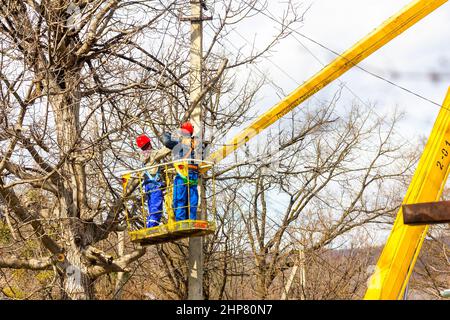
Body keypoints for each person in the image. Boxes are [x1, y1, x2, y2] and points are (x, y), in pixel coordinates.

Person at [162, 121, 205, 221]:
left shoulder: (180, 144)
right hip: (194, 174)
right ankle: (191, 219)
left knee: (180, 198)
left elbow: (166, 141)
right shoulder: (197, 144)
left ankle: (181, 220)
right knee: (192, 198)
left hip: (183, 173)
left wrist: (166, 133)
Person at [136, 134, 164, 228]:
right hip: (155, 184)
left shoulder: (143, 156)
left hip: (147, 185)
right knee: (156, 206)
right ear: (149, 143)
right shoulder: (153, 153)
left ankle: (149, 225)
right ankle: (152, 226)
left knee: (151, 206)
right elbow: (166, 151)